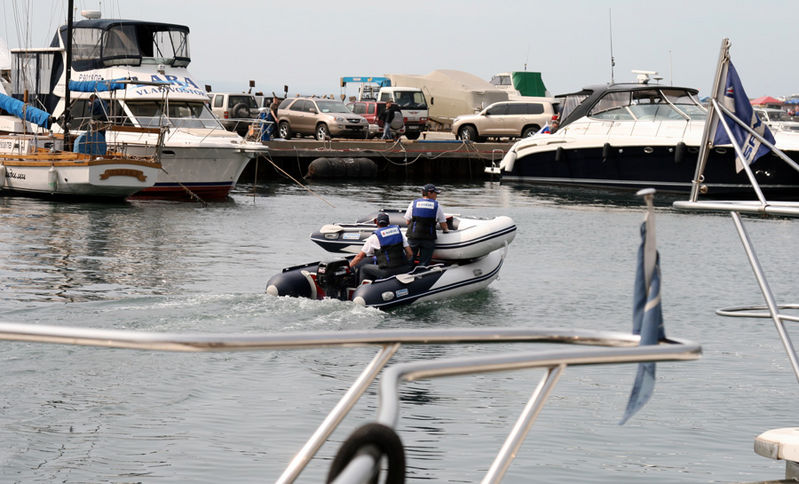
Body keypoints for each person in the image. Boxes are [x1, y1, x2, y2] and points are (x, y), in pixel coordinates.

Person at [349, 212, 413, 283]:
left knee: (364, 268)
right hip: (403, 268)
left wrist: (349, 267)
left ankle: (363, 288)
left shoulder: (374, 237)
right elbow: (410, 253)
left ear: (376, 222)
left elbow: (359, 257)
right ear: (388, 222)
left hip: (387, 271)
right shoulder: (399, 233)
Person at [404, 183, 449, 267]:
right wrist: (446, 231)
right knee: (424, 263)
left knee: (409, 259)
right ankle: (421, 275)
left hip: (413, 237)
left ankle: (406, 273)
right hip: (428, 239)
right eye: (435, 193)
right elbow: (443, 224)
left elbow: (407, 221)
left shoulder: (413, 203)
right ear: (429, 193)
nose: (436, 195)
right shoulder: (437, 206)